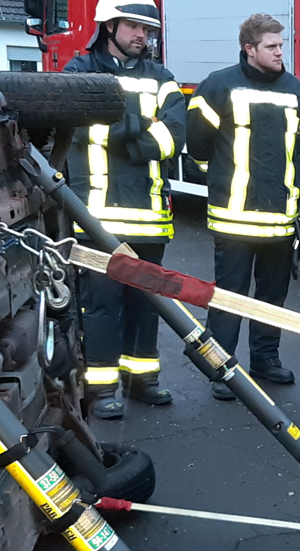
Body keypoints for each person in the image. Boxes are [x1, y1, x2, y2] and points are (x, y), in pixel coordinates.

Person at [64, 0, 185, 419]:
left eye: (147, 30)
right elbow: (81, 129)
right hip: (96, 219)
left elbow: (172, 140)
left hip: (150, 218)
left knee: (146, 302)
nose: (141, 36)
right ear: (109, 26)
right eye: (133, 27)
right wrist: (142, 126)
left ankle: (141, 379)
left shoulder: (163, 79)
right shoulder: (79, 74)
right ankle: (102, 390)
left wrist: (119, 129)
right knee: (100, 306)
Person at [187, 13, 300, 401]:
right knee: (229, 297)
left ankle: (265, 360)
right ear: (249, 49)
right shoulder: (217, 87)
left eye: (281, 45)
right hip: (234, 219)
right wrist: (227, 180)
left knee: (272, 298)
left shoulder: (294, 90)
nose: (280, 52)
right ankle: (221, 368)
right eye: (272, 46)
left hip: (279, 220)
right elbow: (198, 149)